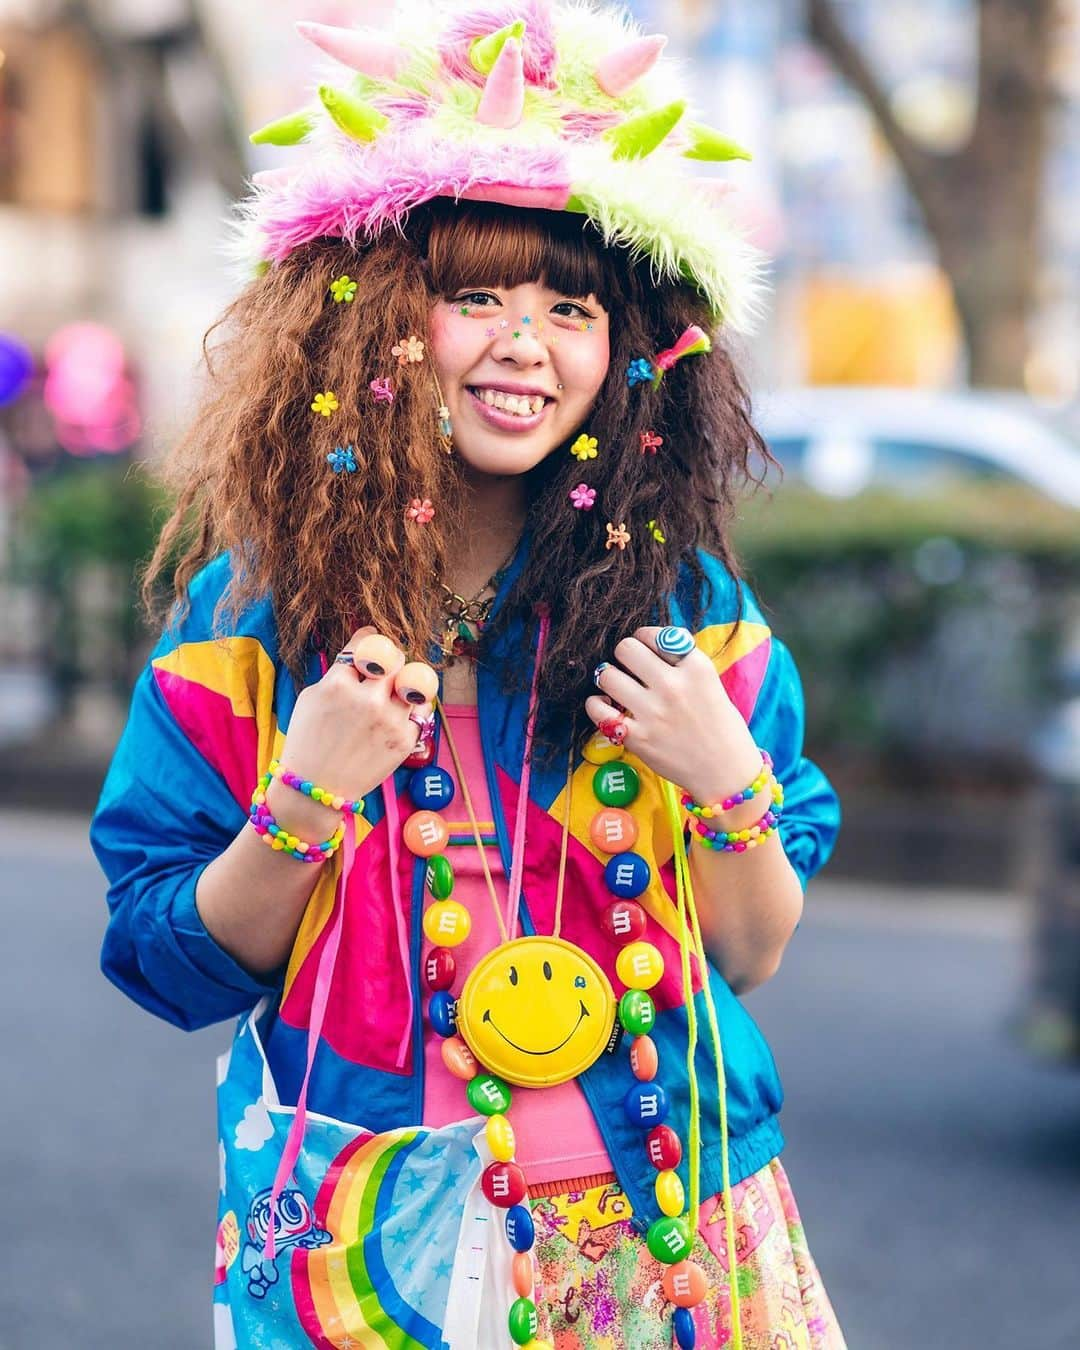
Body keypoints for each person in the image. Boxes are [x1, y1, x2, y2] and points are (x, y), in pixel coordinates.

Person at [90, 3, 846, 1347]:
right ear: (377, 320)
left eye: (574, 307)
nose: (525, 344)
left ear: (627, 356)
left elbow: (756, 945)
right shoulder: (255, 620)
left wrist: (727, 778)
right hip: (366, 1231)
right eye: (475, 295)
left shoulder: (690, 615)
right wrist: (303, 797)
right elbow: (168, 964)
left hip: (670, 1217)